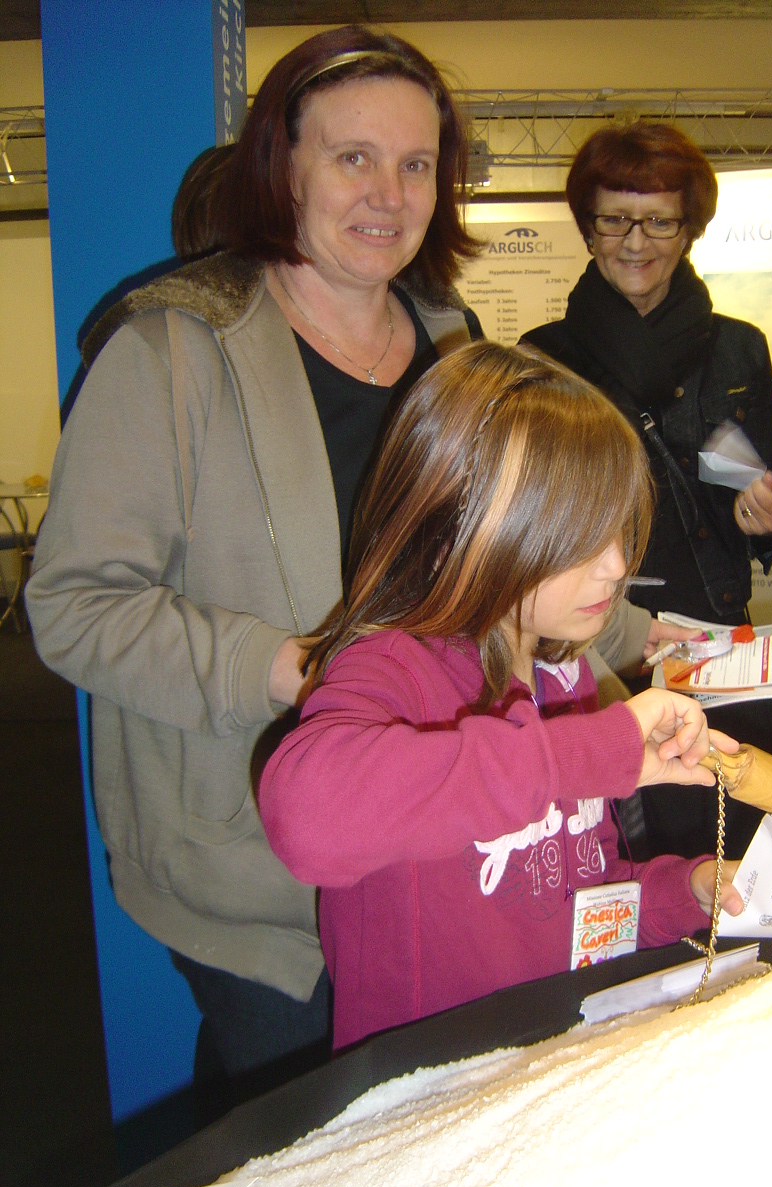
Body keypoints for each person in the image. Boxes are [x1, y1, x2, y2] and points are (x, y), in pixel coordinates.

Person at [26, 25, 492, 1113]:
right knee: (304, 1112)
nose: (388, 194)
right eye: (352, 157)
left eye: (416, 164)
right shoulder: (169, 351)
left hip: (427, 816)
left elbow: (489, 555)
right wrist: (288, 668)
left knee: (409, 1114)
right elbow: (74, 606)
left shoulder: (452, 341)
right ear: (284, 168)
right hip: (254, 861)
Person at [257, 343, 772, 1051]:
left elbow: (577, 901)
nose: (617, 565)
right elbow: (305, 818)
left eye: (616, 529)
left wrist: (689, 892)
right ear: (457, 524)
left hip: (547, 1056)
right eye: (578, 536)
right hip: (431, 1078)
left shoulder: (564, 677)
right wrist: (581, 756)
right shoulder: (393, 669)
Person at [522, 122, 772, 862]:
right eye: (615, 218)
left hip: (714, 627)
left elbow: (770, 507)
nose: (635, 241)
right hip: (598, 632)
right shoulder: (545, 357)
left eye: (659, 220)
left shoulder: (738, 348)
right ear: (588, 228)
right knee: (620, 837)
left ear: (690, 228)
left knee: (739, 824)